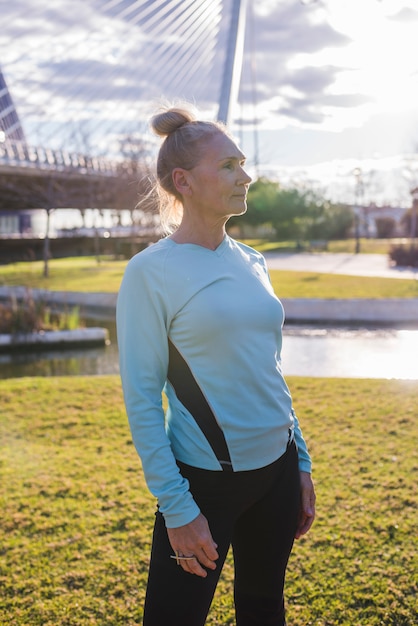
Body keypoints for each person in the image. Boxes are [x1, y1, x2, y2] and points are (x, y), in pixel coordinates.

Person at [116, 103, 316, 626]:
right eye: (227, 165)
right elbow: (141, 399)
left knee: (263, 609)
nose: (245, 176)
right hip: (205, 484)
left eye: (243, 163)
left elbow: (268, 370)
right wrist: (178, 511)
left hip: (277, 470)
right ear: (183, 181)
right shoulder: (149, 273)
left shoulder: (253, 260)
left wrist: (301, 463)